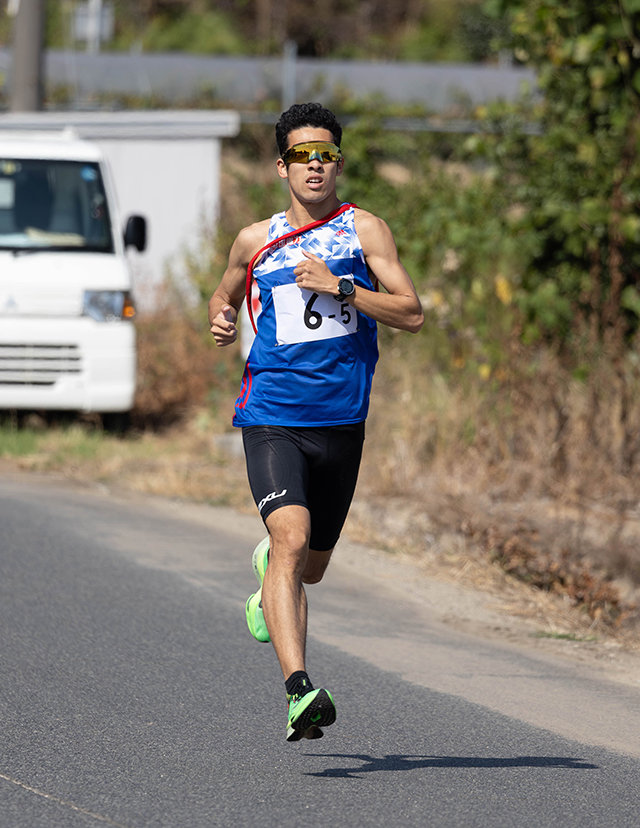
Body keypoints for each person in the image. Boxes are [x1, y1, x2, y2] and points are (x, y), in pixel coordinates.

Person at [208, 102, 424, 742]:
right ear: (282, 165)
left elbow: (412, 312)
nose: (315, 166)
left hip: (343, 422)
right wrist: (220, 318)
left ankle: (269, 576)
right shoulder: (256, 239)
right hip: (272, 414)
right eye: (302, 155)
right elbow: (224, 293)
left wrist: (343, 287)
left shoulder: (365, 231)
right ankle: (299, 690)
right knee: (293, 542)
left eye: (325, 154)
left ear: (338, 163)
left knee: (311, 567)